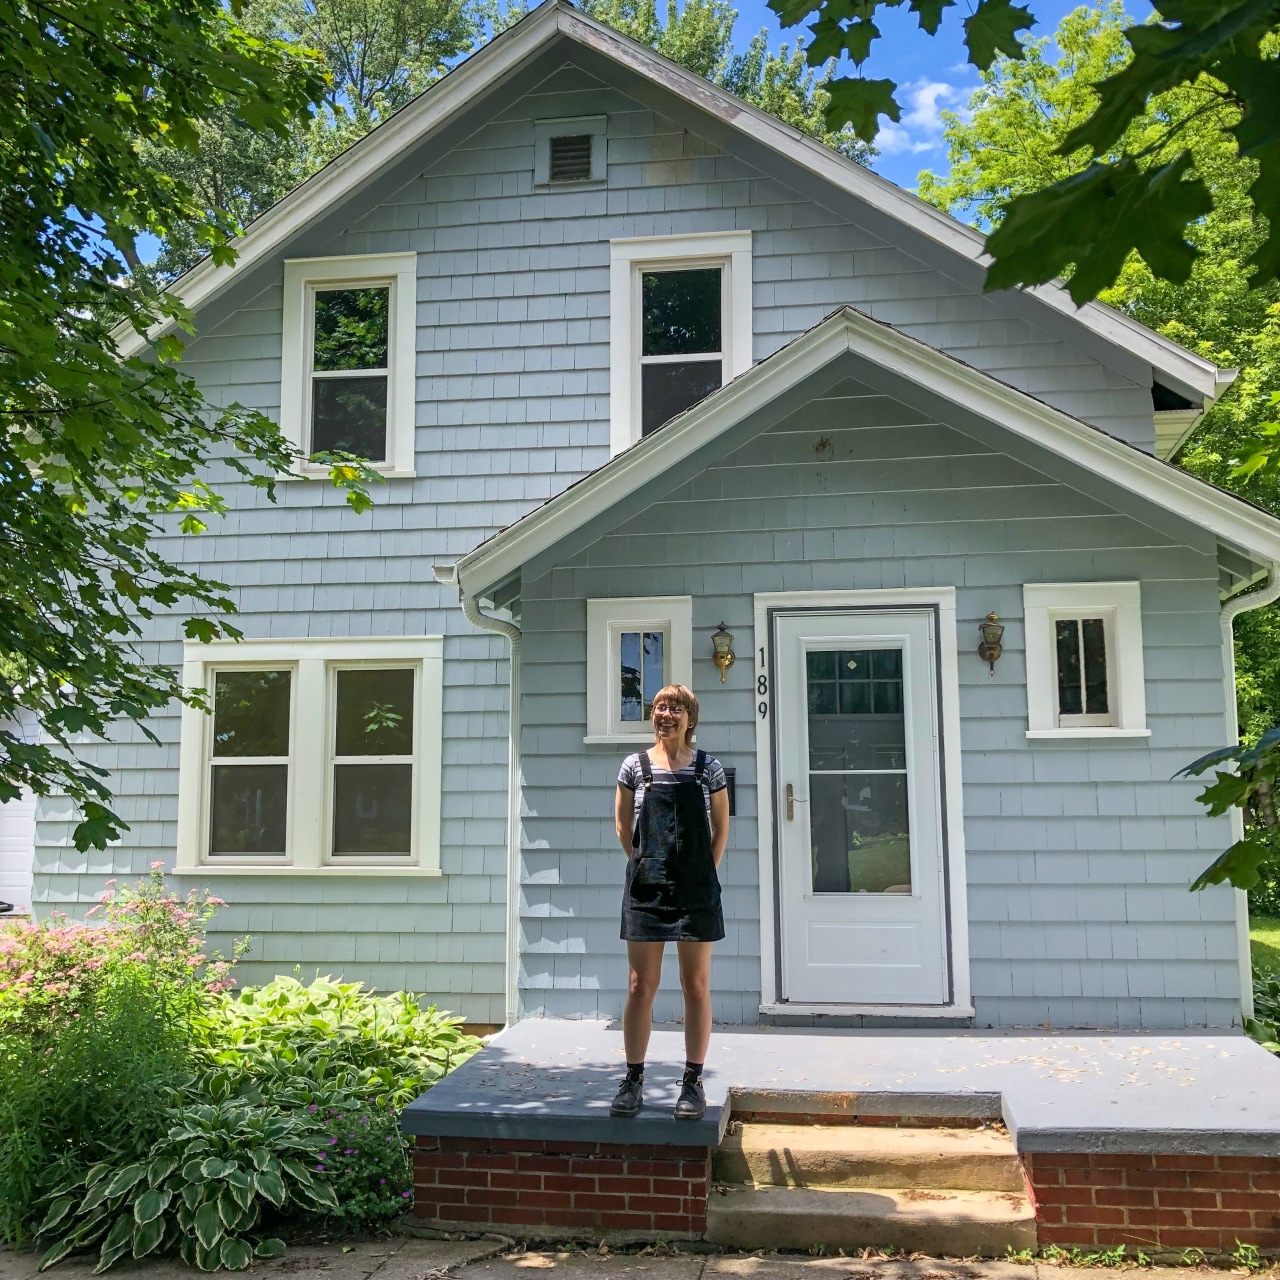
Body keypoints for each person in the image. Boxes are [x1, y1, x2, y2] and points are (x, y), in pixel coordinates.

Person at [610, 684, 729, 1120]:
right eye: (660, 706)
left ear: (690, 718)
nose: (667, 713)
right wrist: (648, 867)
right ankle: (633, 1079)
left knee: (695, 985)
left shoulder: (707, 769)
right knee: (641, 986)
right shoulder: (634, 767)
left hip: (696, 891)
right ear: (653, 716)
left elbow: (720, 830)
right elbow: (624, 828)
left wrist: (700, 873)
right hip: (647, 890)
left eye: (676, 707)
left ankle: (693, 1083)